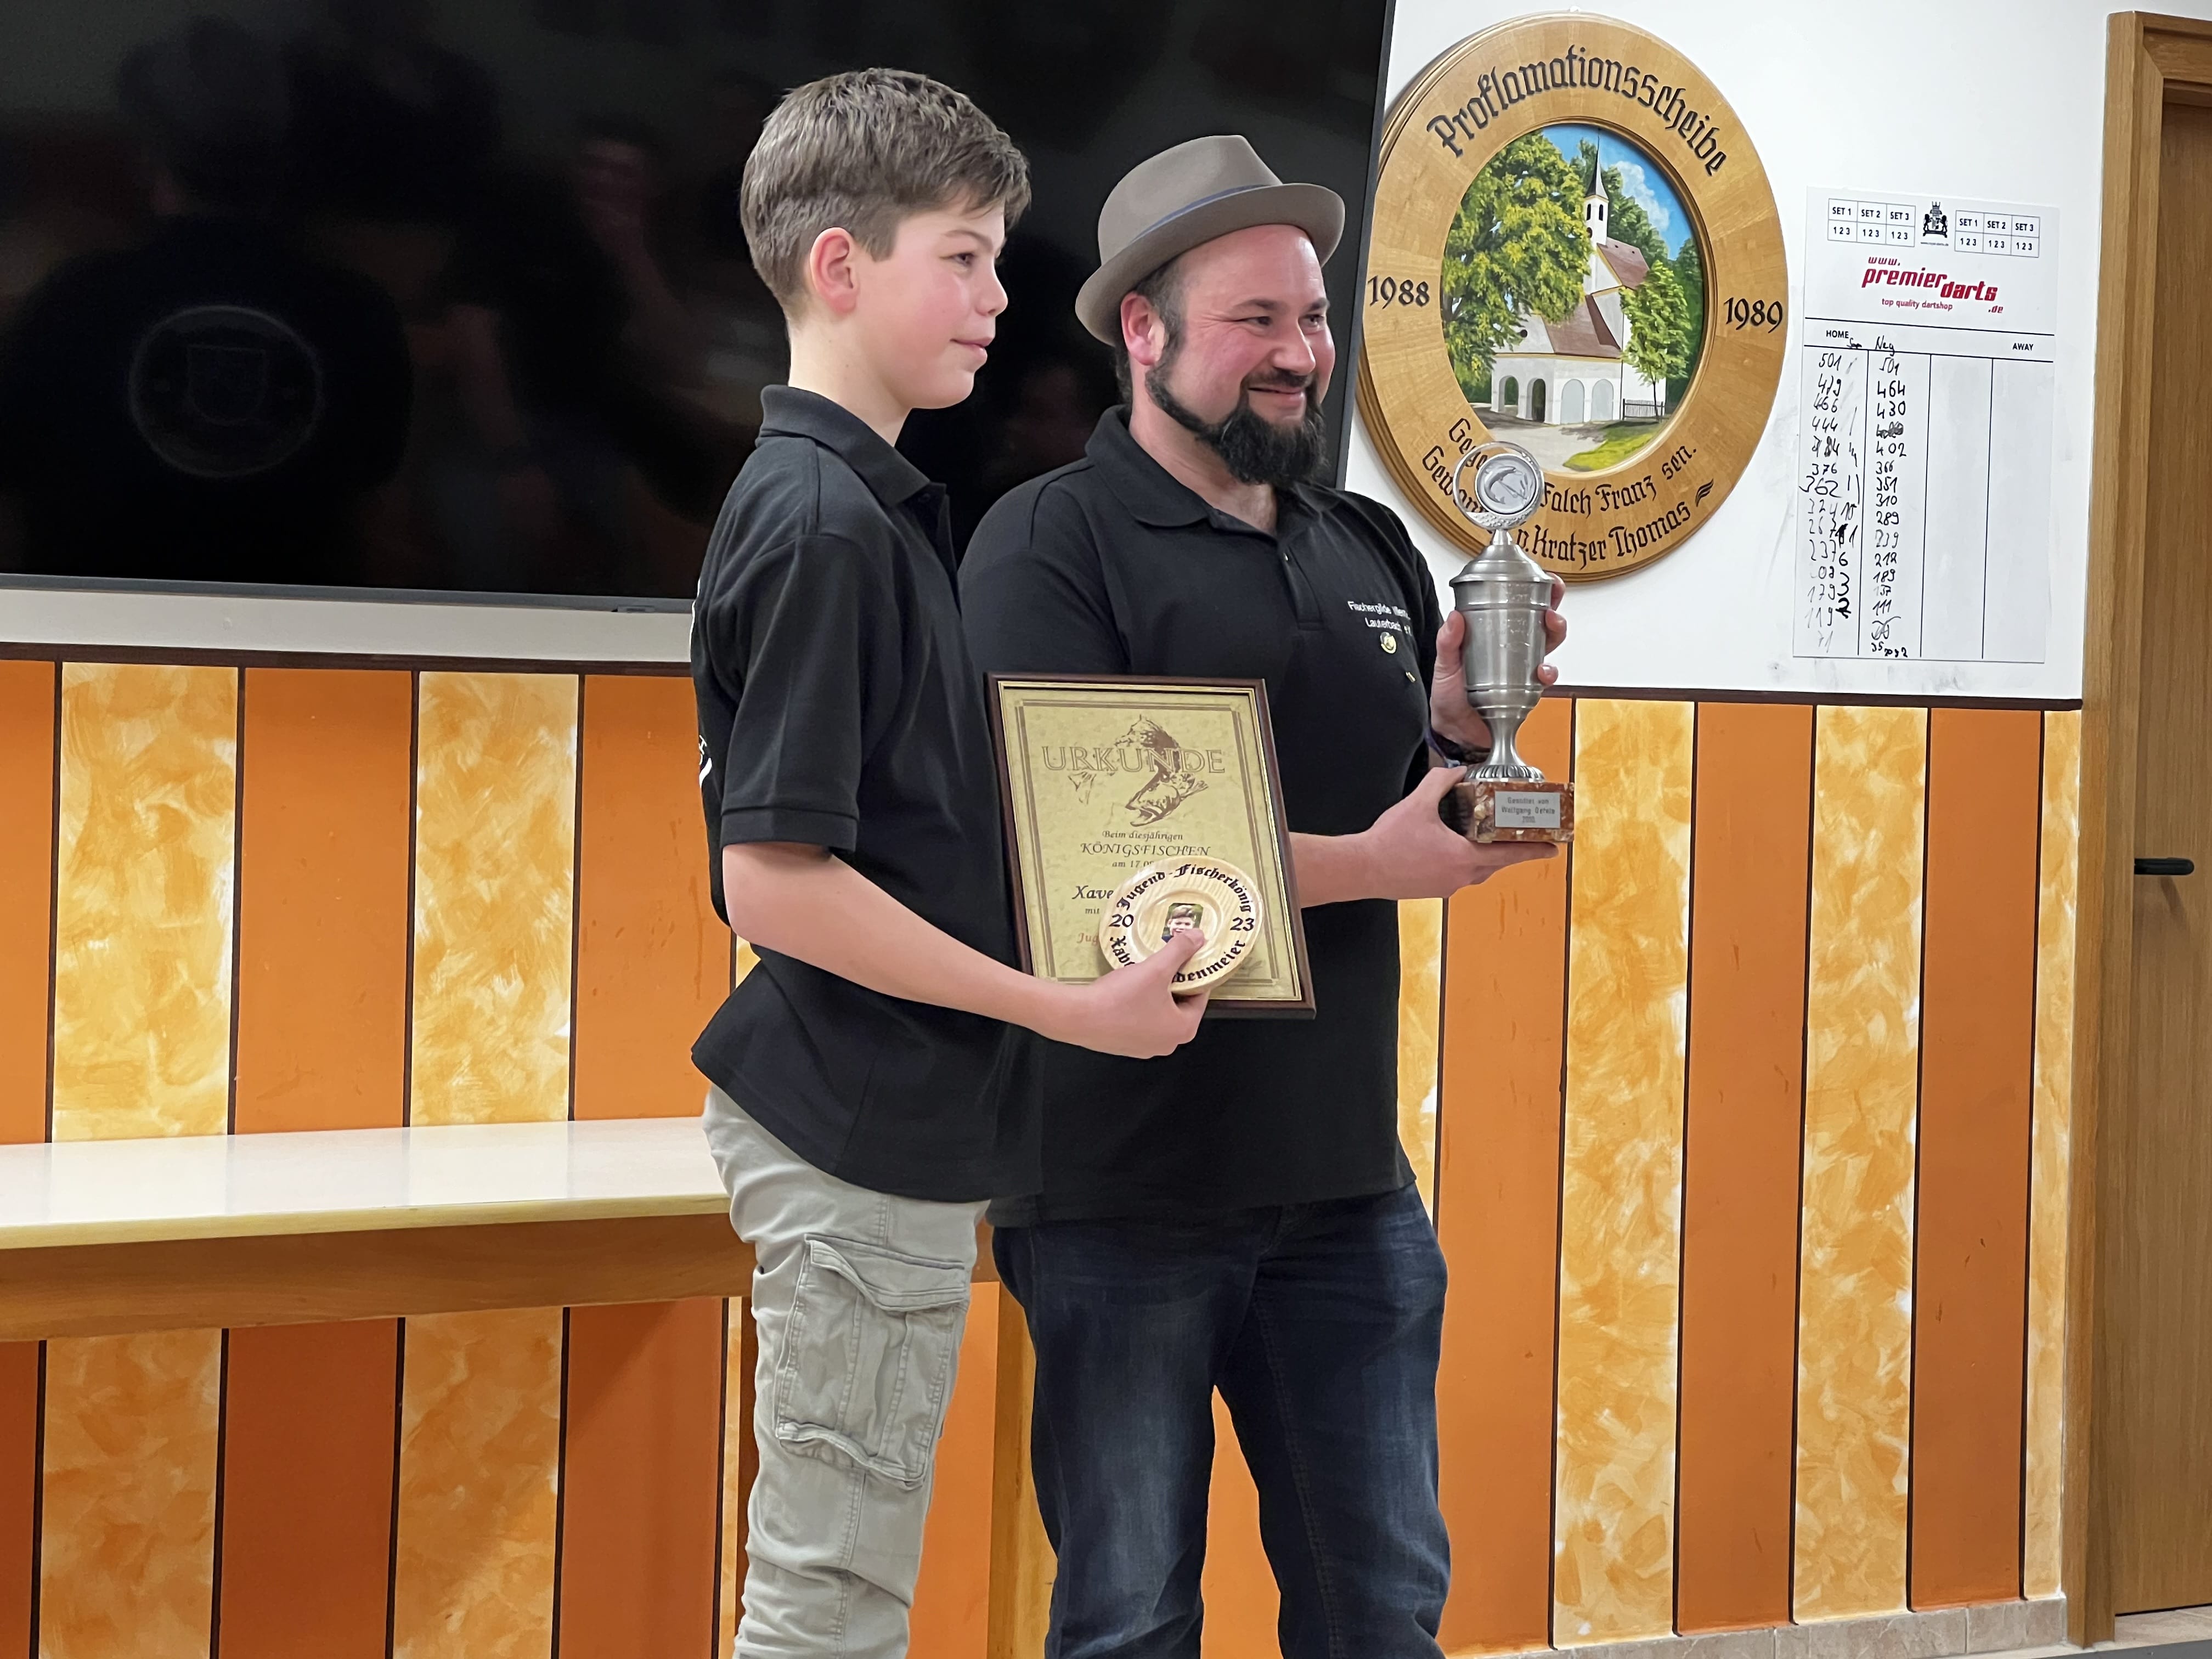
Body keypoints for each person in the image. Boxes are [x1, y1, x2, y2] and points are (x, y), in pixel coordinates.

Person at [960, 135, 1569, 1659]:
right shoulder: (1047, 544)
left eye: (1311, 317)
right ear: (1144, 332)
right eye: (1256, 321)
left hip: (1347, 1183)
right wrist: (1374, 866)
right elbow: (1091, 857)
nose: (1302, 353)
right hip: (1119, 1192)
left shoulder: (1366, 545)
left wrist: (1458, 731)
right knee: (1130, 1621)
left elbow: (1398, 799)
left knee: (1385, 1613)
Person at [689, 70, 1207, 1659]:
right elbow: (774, 882)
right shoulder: (824, 524)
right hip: (855, 1131)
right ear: (839, 267)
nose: (999, 299)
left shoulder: (863, 503)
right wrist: (1064, 1009)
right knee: (830, 1602)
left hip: (891, 1126)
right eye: (964, 258)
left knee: (843, 1586)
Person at [0, 18, 410, 585]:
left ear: (148, 155)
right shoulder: (359, 313)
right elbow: (377, 493)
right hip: (291, 630)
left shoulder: (74, 303)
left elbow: (12, 473)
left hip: (94, 631)